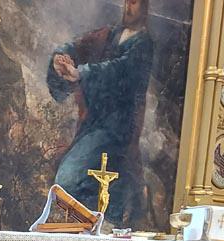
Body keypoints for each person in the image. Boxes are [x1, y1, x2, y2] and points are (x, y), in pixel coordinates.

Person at [47, 0, 154, 225]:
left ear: (145, 6)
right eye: (126, 1)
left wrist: (81, 73)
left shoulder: (144, 44)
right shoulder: (111, 34)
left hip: (116, 131)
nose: (128, 7)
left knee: (67, 179)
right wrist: (61, 57)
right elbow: (81, 45)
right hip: (93, 125)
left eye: (134, 2)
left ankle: (95, 229)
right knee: (79, 187)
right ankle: (88, 231)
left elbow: (119, 70)